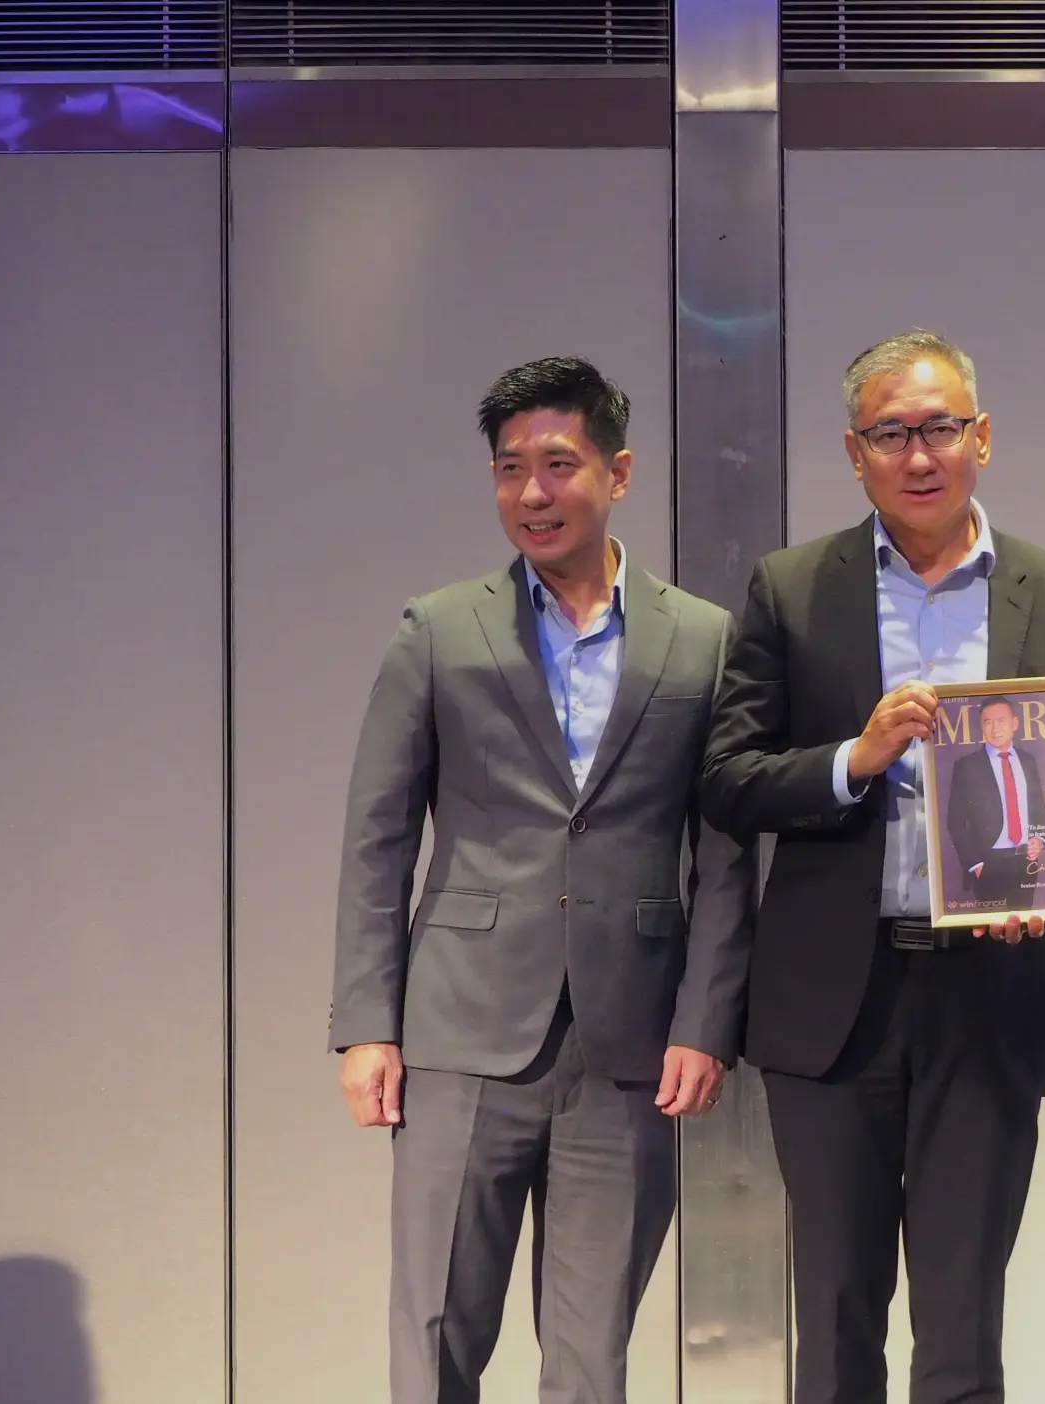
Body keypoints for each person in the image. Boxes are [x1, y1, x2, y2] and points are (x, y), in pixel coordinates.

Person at [328, 356, 757, 1404]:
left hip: (629, 1043)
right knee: (436, 1335)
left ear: (619, 471)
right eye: (510, 468)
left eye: (558, 464)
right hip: (460, 1034)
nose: (532, 491)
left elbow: (727, 853)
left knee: (593, 1357)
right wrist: (366, 1023)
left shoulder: (700, 639)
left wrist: (705, 1021)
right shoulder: (439, 629)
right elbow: (379, 834)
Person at [701, 330, 1045, 1404]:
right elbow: (729, 780)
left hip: (989, 994)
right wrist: (854, 758)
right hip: (836, 999)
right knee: (836, 1320)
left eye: (940, 428)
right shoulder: (792, 588)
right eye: (891, 433)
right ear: (854, 452)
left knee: (964, 1327)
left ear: (983, 438)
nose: (919, 454)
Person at [946, 696, 1045, 907]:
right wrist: (975, 864)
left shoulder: (1028, 761)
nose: (994, 728)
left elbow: (1038, 806)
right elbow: (955, 821)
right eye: (988, 722)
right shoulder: (967, 766)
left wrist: (1039, 838)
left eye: (1001, 721)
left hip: (1025, 860)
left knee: (1025, 922)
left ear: (1015, 723)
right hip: (988, 862)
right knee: (990, 927)